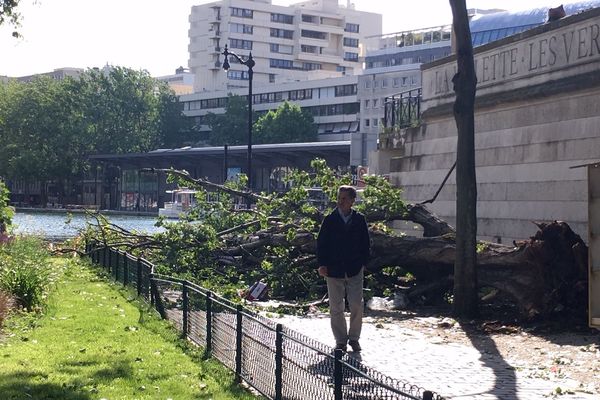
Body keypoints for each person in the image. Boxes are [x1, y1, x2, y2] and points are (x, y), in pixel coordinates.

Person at [316, 185, 370, 352]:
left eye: (344, 198)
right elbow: (321, 243)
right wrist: (321, 264)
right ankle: (340, 340)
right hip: (333, 269)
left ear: (352, 201)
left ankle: (354, 338)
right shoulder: (330, 219)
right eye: (339, 198)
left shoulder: (359, 219)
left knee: (356, 304)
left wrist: (364, 263)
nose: (340, 201)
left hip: (354, 268)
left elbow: (366, 243)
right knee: (336, 306)